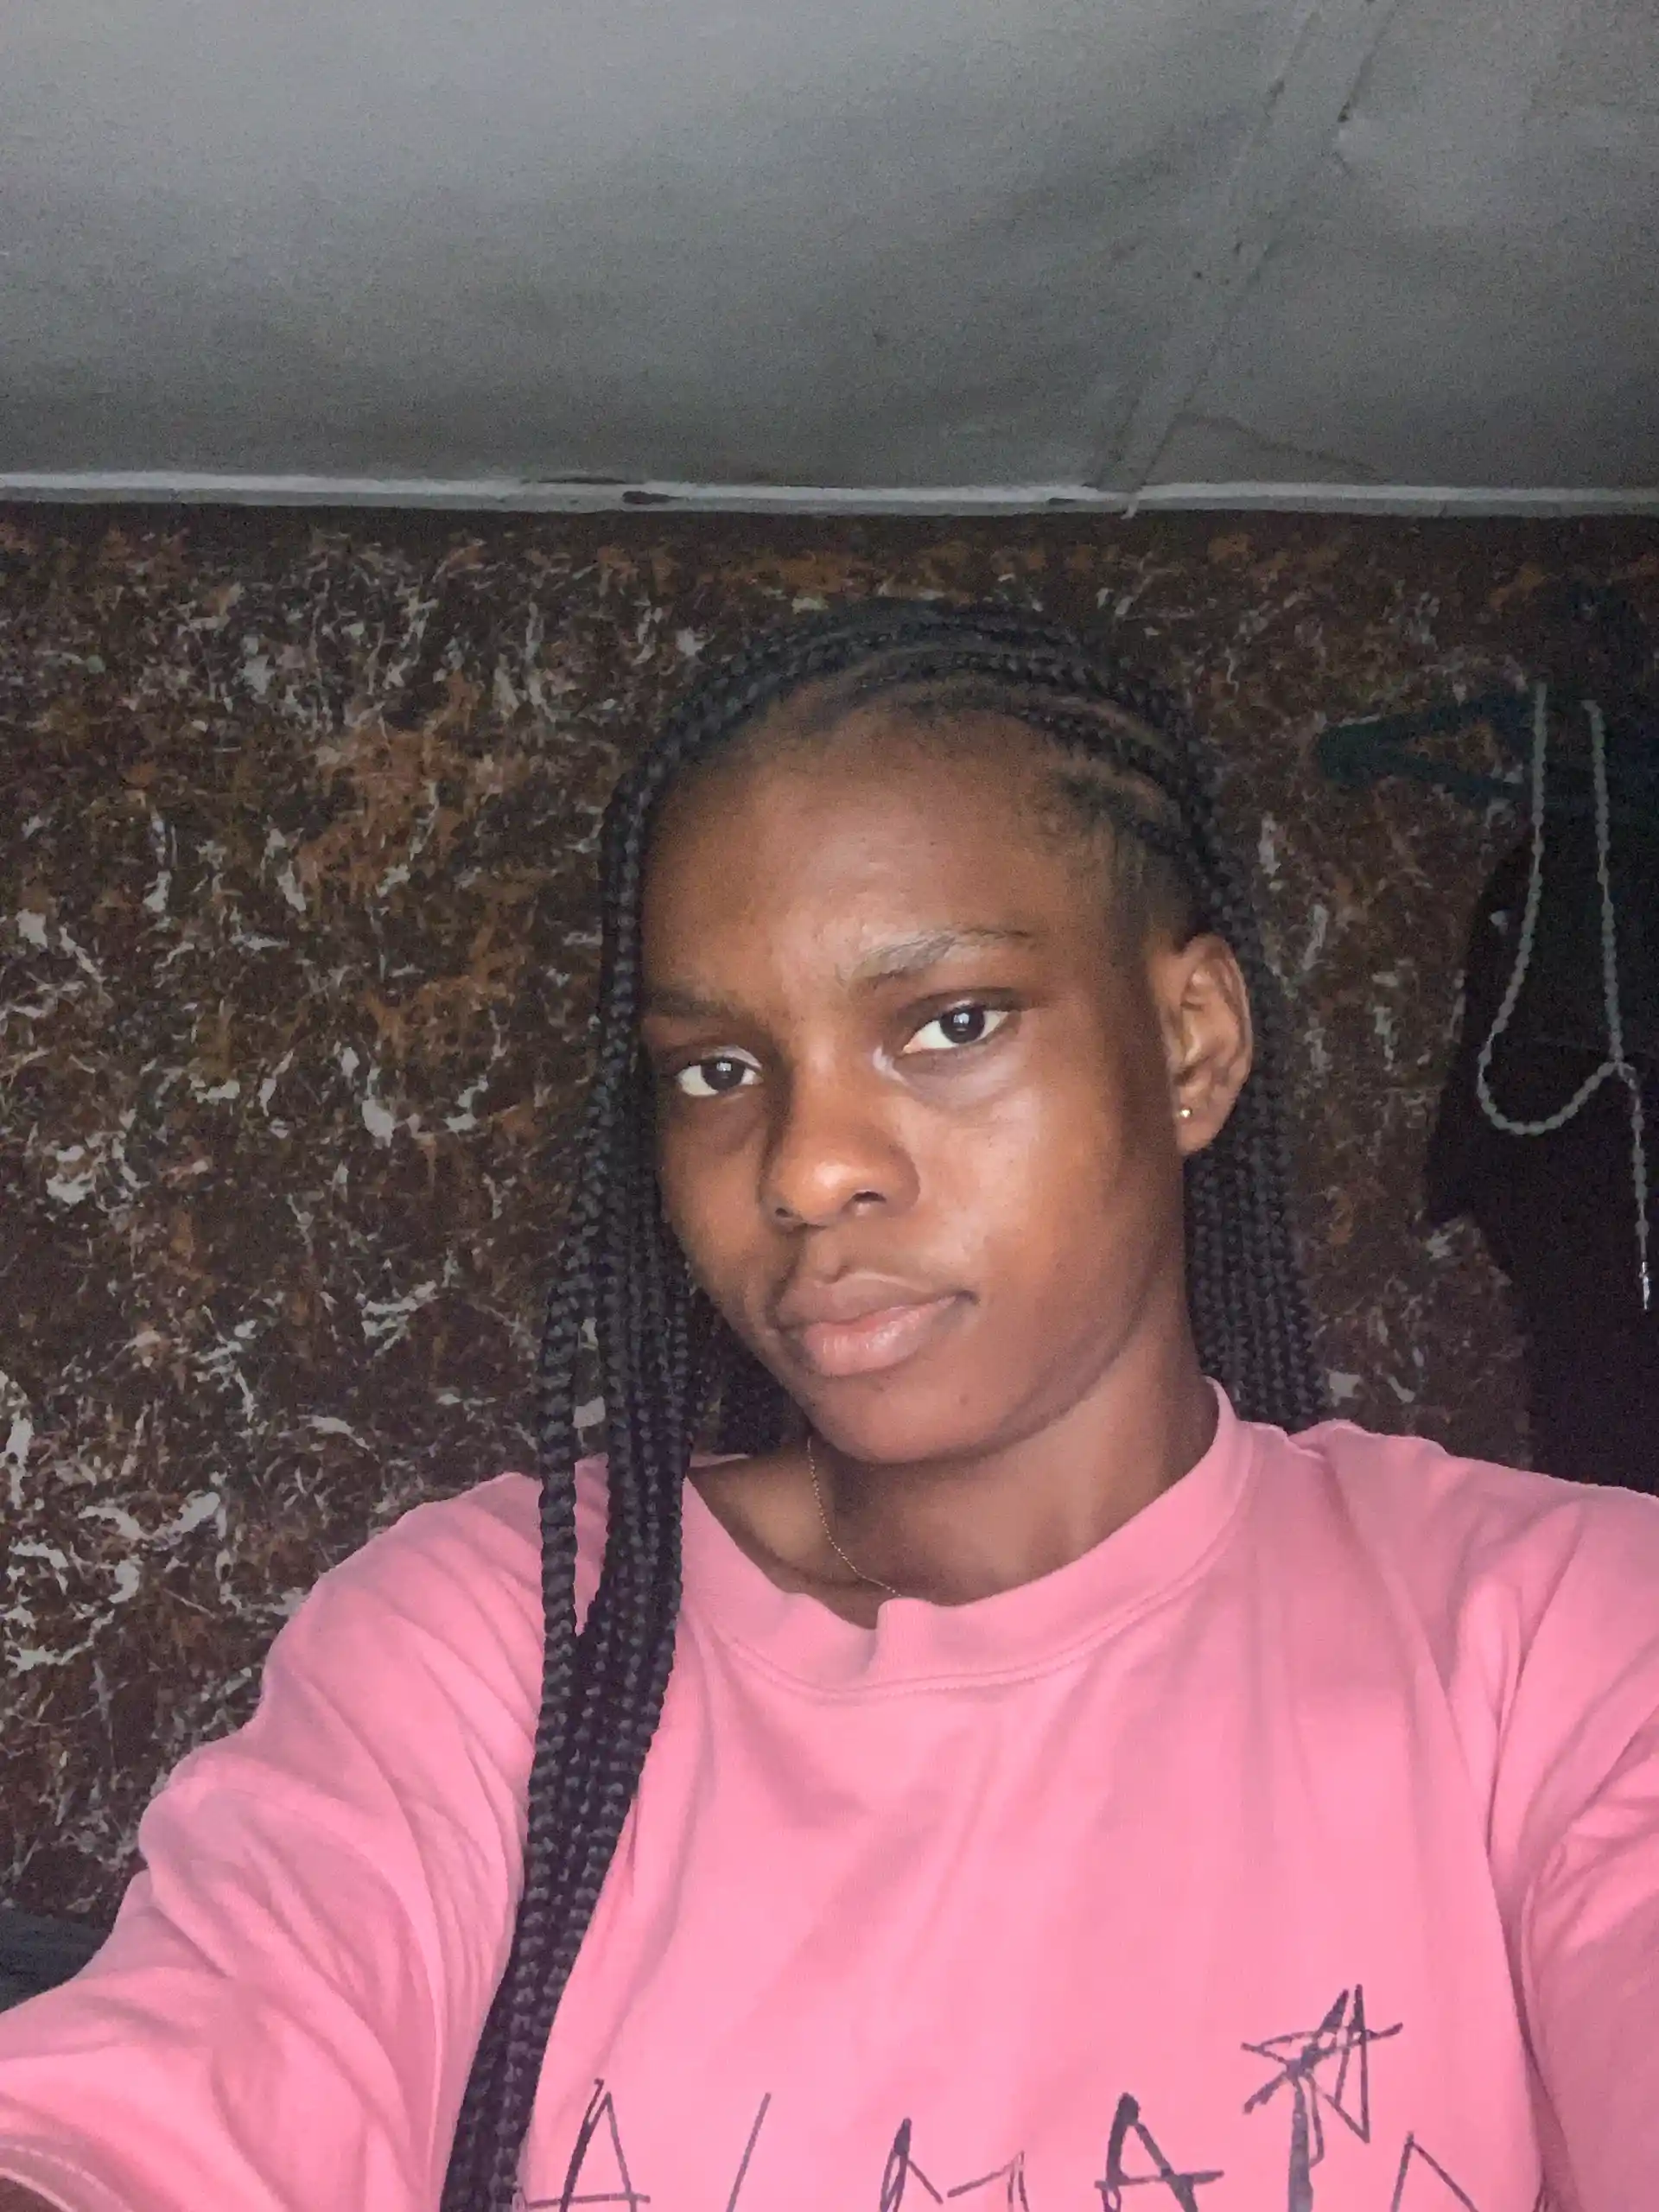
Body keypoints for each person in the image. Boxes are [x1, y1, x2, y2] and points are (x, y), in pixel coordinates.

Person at [2, 599, 1656, 2212]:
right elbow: (177, 2095)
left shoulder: (1557, 1635)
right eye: (717, 1070)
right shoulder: (504, 1641)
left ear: (1192, 1042)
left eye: (948, 1024)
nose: (804, 1169)